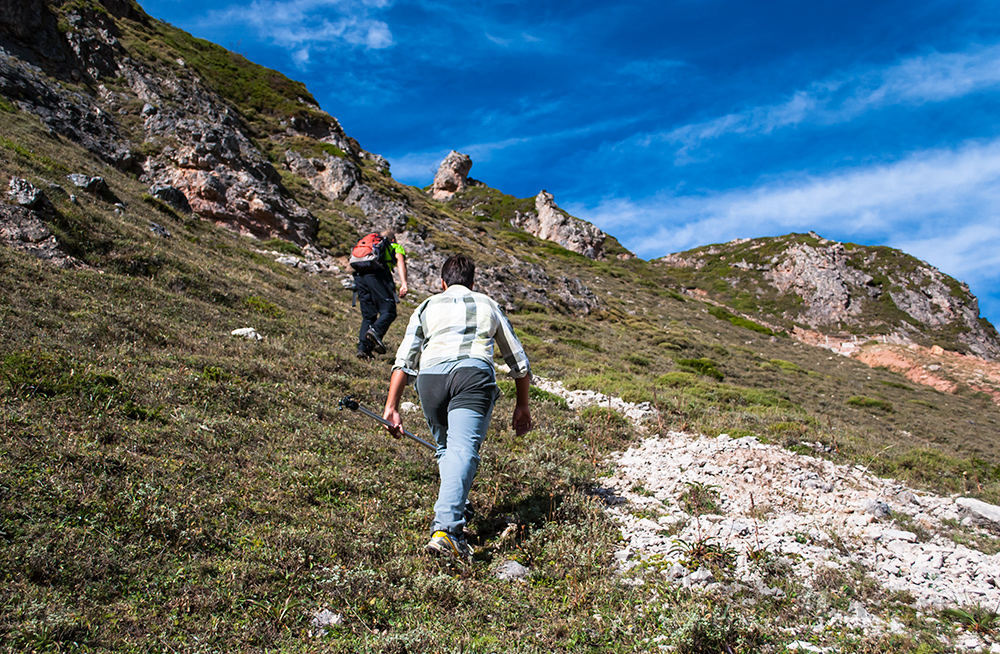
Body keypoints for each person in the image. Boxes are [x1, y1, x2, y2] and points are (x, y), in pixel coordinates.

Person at [382, 254, 532, 560]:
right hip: (472, 377)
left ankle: (458, 508)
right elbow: (517, 361)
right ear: (473, 282)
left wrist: (391, 406)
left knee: (446, 450)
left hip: (431, 380)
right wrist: (522, 405)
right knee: (463, 450)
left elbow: (405, 360)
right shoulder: (486, 303)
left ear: (442, 282)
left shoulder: (426, 306)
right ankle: (447, 530)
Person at [354, 230, 408, 359]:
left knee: (368, 316)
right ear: (393, 240)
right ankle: (375, 332)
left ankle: (363, 350)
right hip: (378, 276)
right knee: (389, 311)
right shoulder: (394, 246)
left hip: (359, 277)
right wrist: (404, 283)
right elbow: (400, 261)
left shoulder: (369, 247)